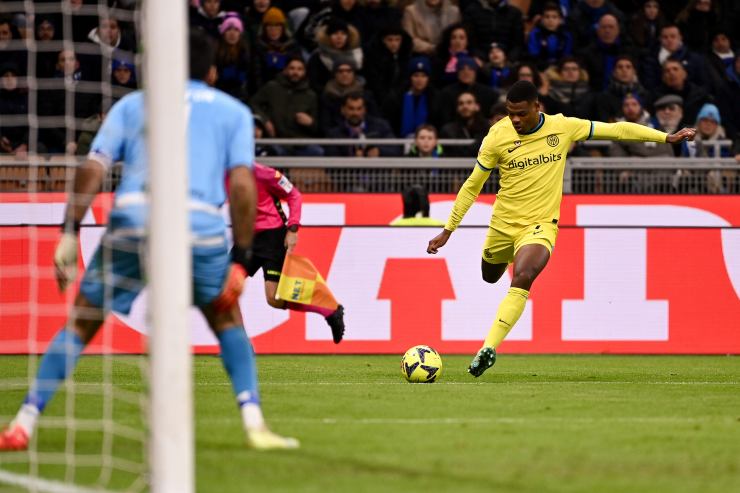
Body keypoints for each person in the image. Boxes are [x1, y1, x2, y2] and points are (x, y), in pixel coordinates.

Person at [0, 30, 298, 451]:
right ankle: (254, 424)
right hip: (199, 225)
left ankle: (23, 423)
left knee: (80, 323)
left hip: (134, 219)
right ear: (212, 72)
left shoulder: (133, 105)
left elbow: (93, 167)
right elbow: (243, 185)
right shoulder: (232, 112)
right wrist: (242, 257)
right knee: (228, 321)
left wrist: (69, 231)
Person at [426, 80, 696, 377]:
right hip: (502, 225)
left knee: (524, 275)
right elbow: (472, 185)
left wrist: (666, 137)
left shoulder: (562, 127)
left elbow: (616, 130)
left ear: (537, 107)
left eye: (521, 113)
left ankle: (488, 348)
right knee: (489, 276)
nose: (515, 119)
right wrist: (448, 230)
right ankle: (503, 261)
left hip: (540, 225)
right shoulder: (497, 136)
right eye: (510, 113)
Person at [243, 162, 345, 342]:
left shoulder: (265, 174)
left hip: (272, 237)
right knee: (224, 286)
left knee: (273, 298)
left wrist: (293, 229)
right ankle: (240, 346)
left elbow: (294, 195)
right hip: (246, 238)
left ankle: (330, 311)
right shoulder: (223, 174)